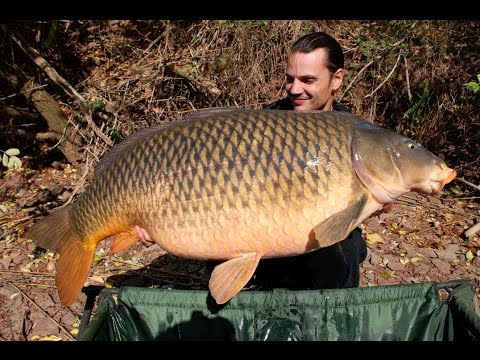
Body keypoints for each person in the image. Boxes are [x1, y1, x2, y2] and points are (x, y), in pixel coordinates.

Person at [207, 31, 368, 291]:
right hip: (255, 225)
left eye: (308, 80)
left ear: (336, 79)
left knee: (344, 247)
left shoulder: (353, 134)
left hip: (319, 239)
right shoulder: (263, 123)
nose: (295, 89)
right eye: (290, 79)